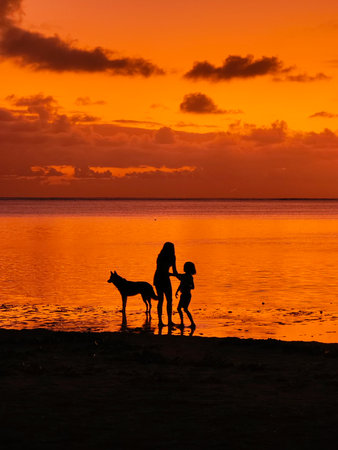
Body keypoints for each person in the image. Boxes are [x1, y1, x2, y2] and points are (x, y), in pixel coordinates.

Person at [153, 242, 178, 327]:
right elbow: (162, 271)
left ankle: (169, 321)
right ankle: (160, 321)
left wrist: (181, 277)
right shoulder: (161, 257)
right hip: (160, 278)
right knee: (162, 300)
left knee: (168, 300)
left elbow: (174, 271)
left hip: (164, 278)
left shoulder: (172, 257)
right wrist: (175, 275)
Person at [175, 261, 196, 329]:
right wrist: (177, 291)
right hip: (183, 294)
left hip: (187, 295)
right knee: (181, 309)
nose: (183, 268)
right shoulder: (184, 276)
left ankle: (191, 323)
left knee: (184, 309)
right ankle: (184, 323)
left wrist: (187, 286)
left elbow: (193, 287)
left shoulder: (189, 277)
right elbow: (181, 284)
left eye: (185, 267)